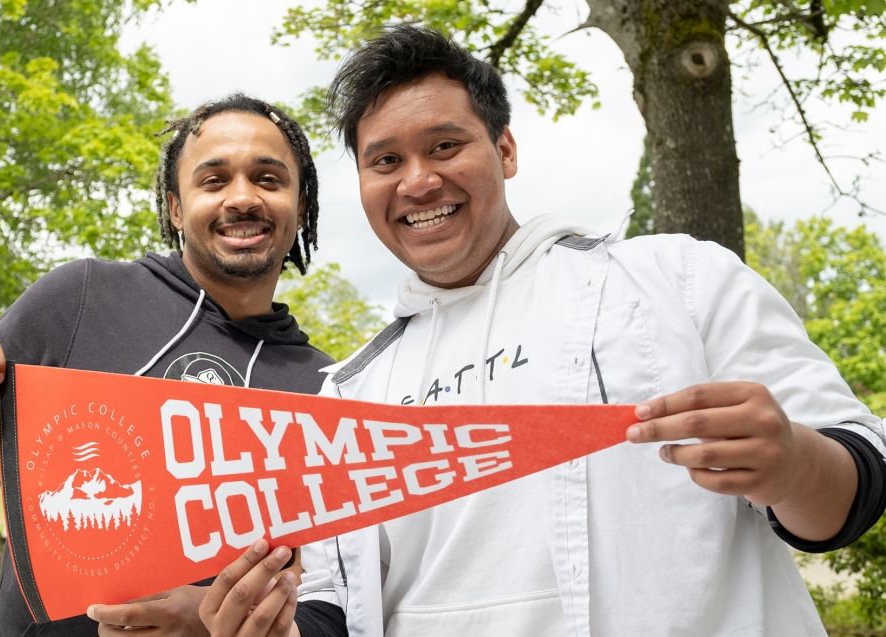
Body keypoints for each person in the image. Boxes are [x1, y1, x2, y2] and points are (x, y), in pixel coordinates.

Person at [295, 26, 886, 636]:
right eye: (386, 160)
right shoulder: (350, 397)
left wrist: (794, 467)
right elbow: (332, 598)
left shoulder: (675, 278)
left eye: (445, 145)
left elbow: (854, 483)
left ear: (505, 151)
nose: (417, 182)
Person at [0, 94, 345, 636]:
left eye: (269, 180)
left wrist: (206, 625)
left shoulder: (329, 388)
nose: (242, 197)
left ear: (300, 205)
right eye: (214, 180)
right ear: (176, 207)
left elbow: (327, 595)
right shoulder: (79, 296)